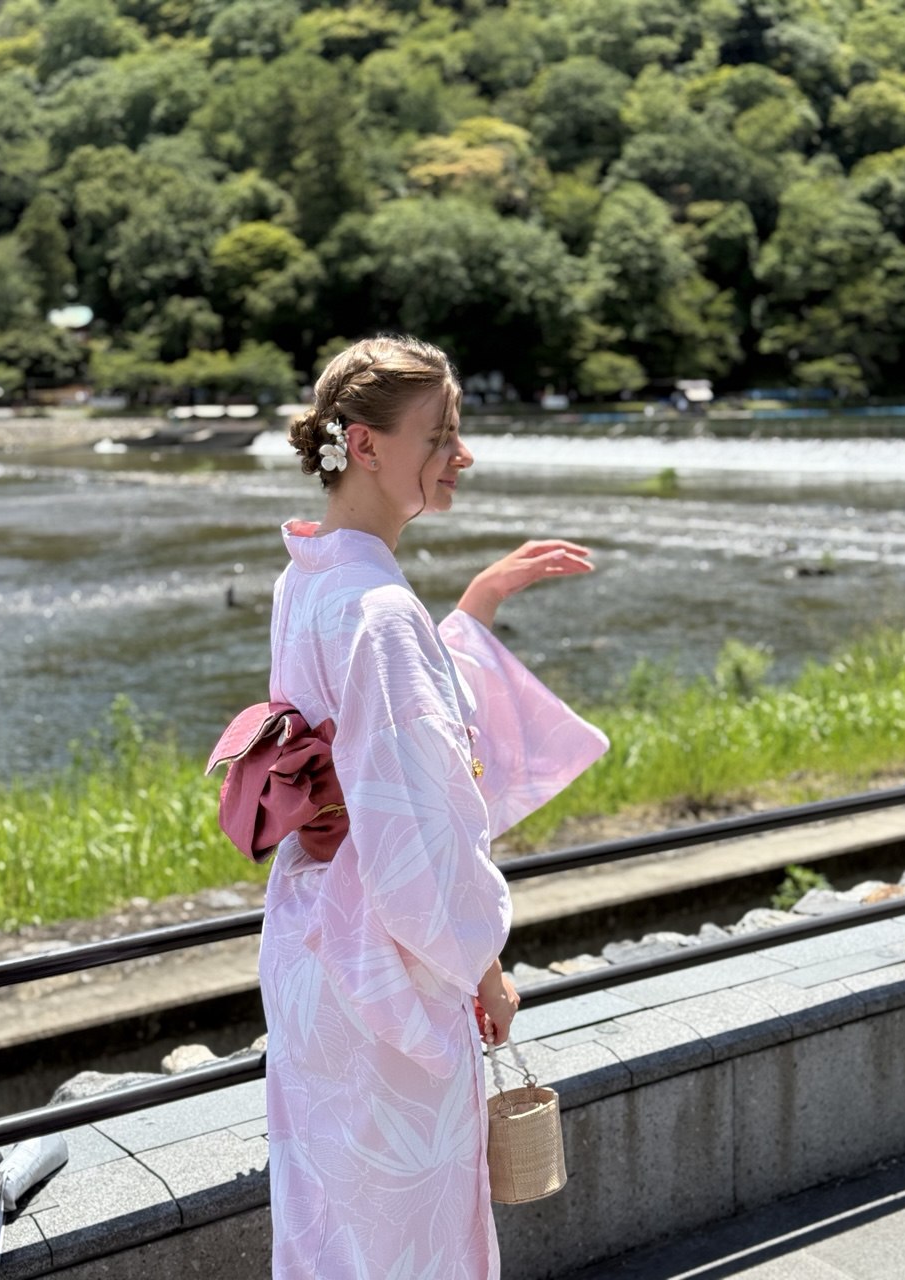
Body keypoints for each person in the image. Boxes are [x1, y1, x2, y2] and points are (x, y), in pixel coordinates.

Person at [258, 334, 609, 1278]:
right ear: (366, 445)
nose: (463, 454)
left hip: (312, 948)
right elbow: (422, 820)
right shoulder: (380, 611)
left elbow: (390, 735)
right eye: (441, 434)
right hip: (386, 970)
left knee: (334, 1228)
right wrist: (483, 970)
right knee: (407, 1242)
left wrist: (476, 606)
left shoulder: (308, 576)